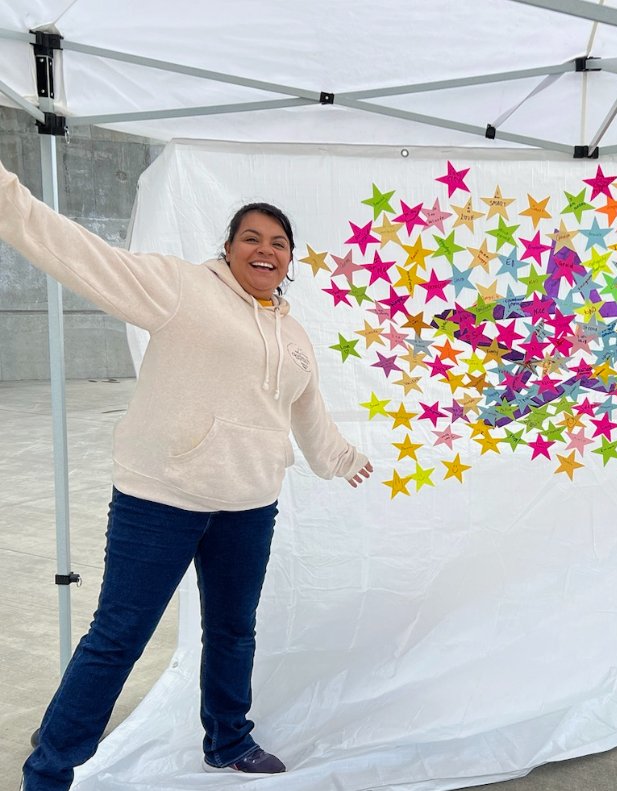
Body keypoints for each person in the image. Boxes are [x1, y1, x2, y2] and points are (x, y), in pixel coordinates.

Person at [0, 157, 374, 790]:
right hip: (159, 500)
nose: (266, 249)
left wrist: (340, 459)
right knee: (119, 636)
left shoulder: (296, 337)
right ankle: (51, 768)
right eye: (251, 237)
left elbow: (304, 415)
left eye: (279, 243)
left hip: (249, 506)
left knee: (233, 630)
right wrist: (11, 197)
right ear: (226, 250)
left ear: (289, 262)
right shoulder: (180, 289)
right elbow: (82, 253)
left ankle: (229, 740)